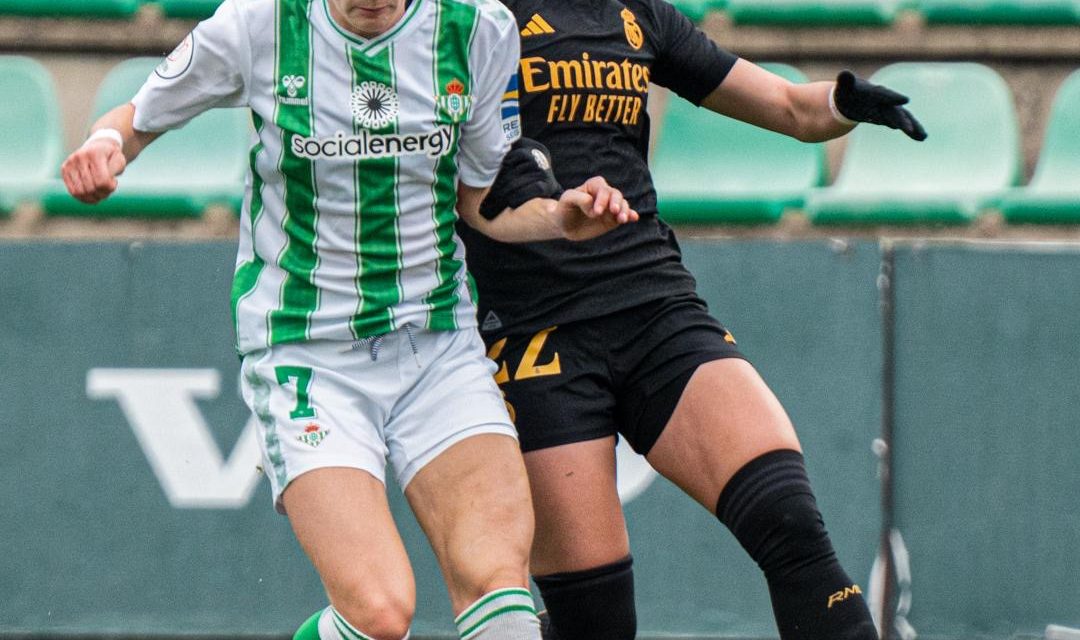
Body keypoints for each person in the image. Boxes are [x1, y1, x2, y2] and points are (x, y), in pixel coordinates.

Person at [59, 0, 638, 638]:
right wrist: (105, 145)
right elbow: (133, 120)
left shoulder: (478, 28)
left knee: (502, 599)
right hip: (307, 351)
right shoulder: (259, 24)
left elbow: (480, 200)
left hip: (436, 345)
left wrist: (560, 217)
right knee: (378, 614)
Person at [457, 1, 927, 639]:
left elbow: (790, 107)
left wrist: (843, 104)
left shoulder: (640, 13)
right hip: (535, 336)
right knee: (593, 622)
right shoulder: (466, 17)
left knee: (790, 524)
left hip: (656, 310)